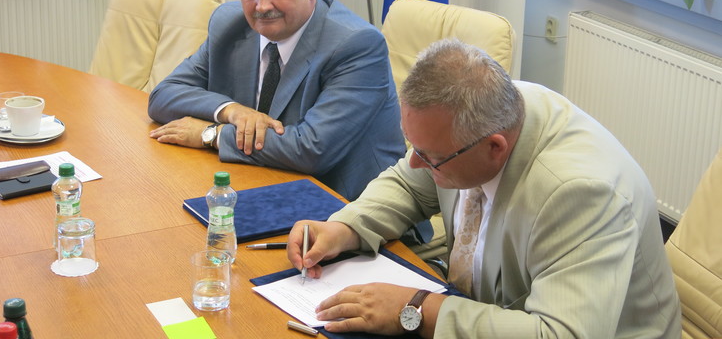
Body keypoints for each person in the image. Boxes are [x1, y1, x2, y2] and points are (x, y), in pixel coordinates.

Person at [287, 39, 681, 338]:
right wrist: (346, 227)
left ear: (495, 147)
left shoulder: (581, 194)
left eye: (430, 156)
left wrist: (417, 308)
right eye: (414, 147)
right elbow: (409, 183)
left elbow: (558, 333)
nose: (415, 162)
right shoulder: (479, 116)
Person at [148, 0, 406, 201]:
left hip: (347, 205)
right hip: (262, 184)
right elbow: (163, 95)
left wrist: (211, 134)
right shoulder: (229, 23)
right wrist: (232, 111)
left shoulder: (356, 45)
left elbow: (311, 150)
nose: (262, 6)